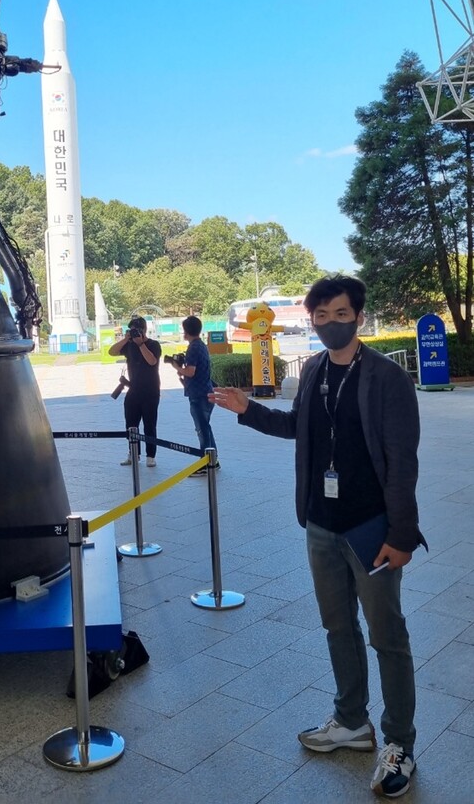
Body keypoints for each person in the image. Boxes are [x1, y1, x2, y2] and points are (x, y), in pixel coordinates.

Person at [210, 275, 425, 799]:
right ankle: (351, 720)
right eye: (321, 316)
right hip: (321, 525)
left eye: (340, 314)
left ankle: (399, 743)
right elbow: (298, 429)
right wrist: (248, 411)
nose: (330, 323)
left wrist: (401, 534)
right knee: (338, 628)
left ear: (359, 316)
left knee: (386, 636)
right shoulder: (311, 371)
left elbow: (402, 466)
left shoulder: (384, 379)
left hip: (371, 528)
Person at [108, 316, 161, 466]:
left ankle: (151, 456)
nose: (135, 334)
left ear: (144, 330)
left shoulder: (154, 345)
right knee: (131, 424)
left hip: (151, 391)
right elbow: (112, 352)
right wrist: (126, 339)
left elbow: (152, 361)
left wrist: (141, 344)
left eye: (137, 331)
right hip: (134, 390)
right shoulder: (129, 346)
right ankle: (133, 454)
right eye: (132, 331)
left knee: (150, 424)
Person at [168, 315, 216, 475]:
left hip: (199, 395)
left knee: (201, 430)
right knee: (206, 428)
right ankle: (213, 460)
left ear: (186, 331)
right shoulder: (201, 345)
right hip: (206, 392)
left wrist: (177, 367)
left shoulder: (193, 348)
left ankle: (205, 463)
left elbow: (190, 371)